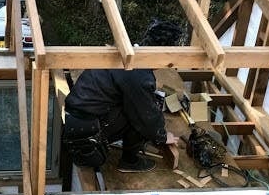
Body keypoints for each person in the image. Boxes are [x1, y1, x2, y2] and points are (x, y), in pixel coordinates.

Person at [63, 19, 182, 173]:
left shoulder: (125, 52)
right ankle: (129, 161)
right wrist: (162, 136)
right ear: (163, 54)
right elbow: (146, 115)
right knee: (141, 113)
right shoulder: (138, 73)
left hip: (76, 120)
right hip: (88, 134)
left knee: (139, 105)